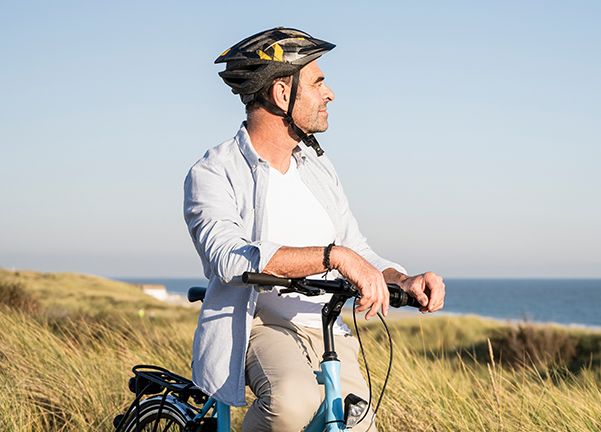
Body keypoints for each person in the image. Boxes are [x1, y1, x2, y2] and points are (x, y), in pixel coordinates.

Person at [183, 27, 445, 432]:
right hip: (260, 324)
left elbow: (356, 249)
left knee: (357, 422)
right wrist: (332, 257)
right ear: (282, 94)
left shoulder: (317, 166)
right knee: (293, 402)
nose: (330, 94)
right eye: (318, 82)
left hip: (326, 328)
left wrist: (401, 279)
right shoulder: (215, 172)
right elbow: (228, 258)